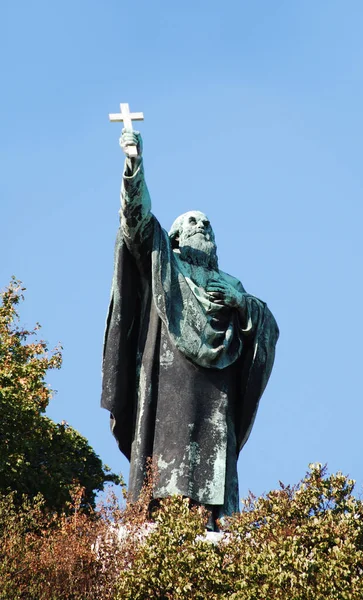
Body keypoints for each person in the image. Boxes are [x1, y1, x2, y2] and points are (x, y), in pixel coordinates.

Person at [101, 129, 279, 528]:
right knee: (167, 447)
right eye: (193, 221)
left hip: (219, 389)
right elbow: (137, 221)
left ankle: (213, 518)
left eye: (208, 224)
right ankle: (162, 516)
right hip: (168, 379)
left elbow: (264, 327)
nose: (203, 225)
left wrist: (242, 307)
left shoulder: (231, 285)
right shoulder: (165, 264)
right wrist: (134, 166)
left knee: (216, 446)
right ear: (177, 237)